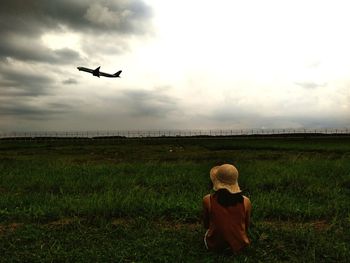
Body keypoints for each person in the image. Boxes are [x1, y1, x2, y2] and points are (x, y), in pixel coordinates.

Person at [203, 164, 252, 253]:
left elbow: (206, 225)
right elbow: (246, 226)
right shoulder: (246, 202)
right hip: (239, 246)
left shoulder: (208, 200)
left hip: (214, 246)